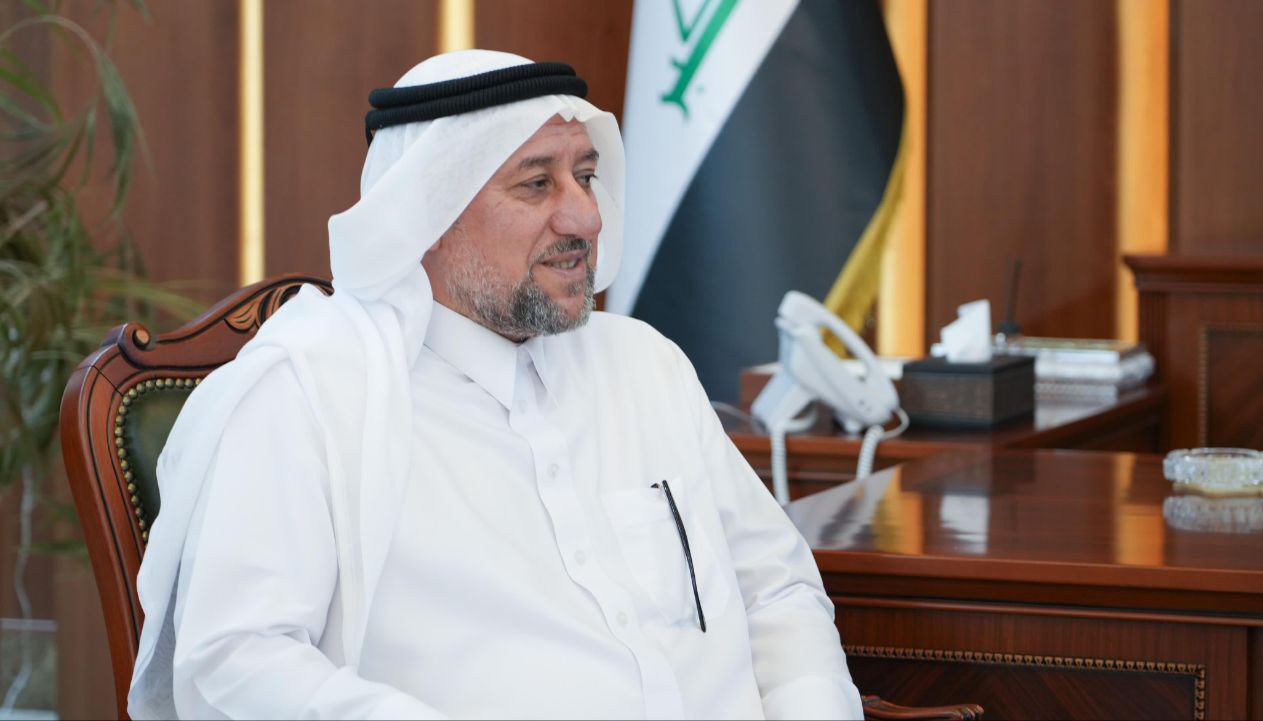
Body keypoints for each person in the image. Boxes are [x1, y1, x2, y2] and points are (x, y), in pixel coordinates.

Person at [129, 50, 863, 720]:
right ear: (429, 212)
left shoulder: (646, 363)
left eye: (585, 176)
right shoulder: (312, 395)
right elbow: (235, 659)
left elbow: (776, 588)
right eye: (537, 184)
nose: (585, 215)